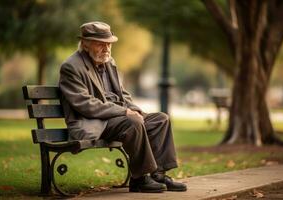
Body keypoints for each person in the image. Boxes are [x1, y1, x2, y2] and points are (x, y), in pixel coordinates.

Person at [59, 21, 187, 193]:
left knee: (160, 119)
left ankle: (158, 175)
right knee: (132, 121)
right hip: (95, 122)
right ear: (85, 44)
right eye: (100, 44)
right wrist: (124, 111)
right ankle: (139, 178)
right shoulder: (71, 67)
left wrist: (136, 109)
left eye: (109, 44)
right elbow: (85, 104)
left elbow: (123, 94)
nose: (106, 48)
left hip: (120, 117)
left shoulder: (109, 61)